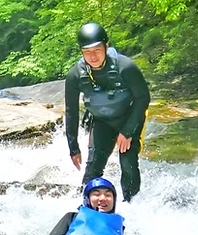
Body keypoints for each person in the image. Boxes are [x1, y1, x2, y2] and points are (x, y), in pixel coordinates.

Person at [64, 22, 150, 201]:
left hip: (129, 117)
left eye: (97, 50)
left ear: (106, 46)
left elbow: (143, 98)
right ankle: (86, 207)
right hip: (101, 120)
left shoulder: (126, 66)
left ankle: (132, 205)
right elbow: (71, 111)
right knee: (93, 167)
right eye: (87, 52)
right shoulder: (75, 75)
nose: (92, 56)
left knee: (127, 163)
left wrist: (128, 131)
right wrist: (73, 148)